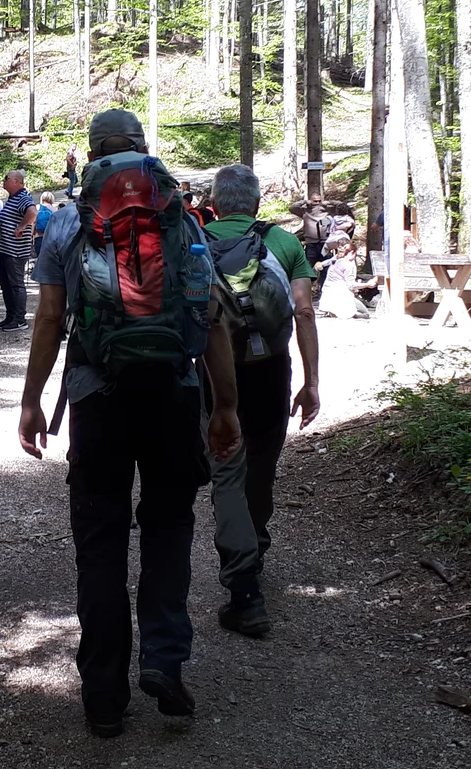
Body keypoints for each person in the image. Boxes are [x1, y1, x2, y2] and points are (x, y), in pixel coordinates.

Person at [18, 108, 242, 739]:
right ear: (144, 148)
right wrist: (224, 408)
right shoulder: (180, 217)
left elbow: (48, 320)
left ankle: (103, 695)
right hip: (175, 395)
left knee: (100, 543)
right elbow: (213, 317)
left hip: (98, 399)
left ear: (90, 155)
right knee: (169, 530)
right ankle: (166, 662)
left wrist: (32, 399)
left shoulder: (68, 220)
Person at [198, 164, 320, 637]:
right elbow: (304, 310)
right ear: (255, 203)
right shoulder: (284, 244)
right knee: (262, 469)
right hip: (272, 370)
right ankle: (256, 542)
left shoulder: (196, 241)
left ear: (214, 203)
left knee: (228, 469)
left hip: (215, 371)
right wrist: (311, 382)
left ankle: (244, 588)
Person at [0, 170, 36, 331]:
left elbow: (32, 212)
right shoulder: (13, 198)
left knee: (16, 284)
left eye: (6, 178)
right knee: (5, 283)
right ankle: (11, 316)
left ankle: (20, 320)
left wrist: (21, 227)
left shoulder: (23, 197)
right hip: (6, 249)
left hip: (15, 251)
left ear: (16, 181)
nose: (4, 181)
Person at [33, 191, 56, 259]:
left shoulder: (37, 207)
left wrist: (31, 235)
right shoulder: (54, 210)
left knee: (39, 259)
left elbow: (34, 222)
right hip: (50, 238)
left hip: (38, 236)